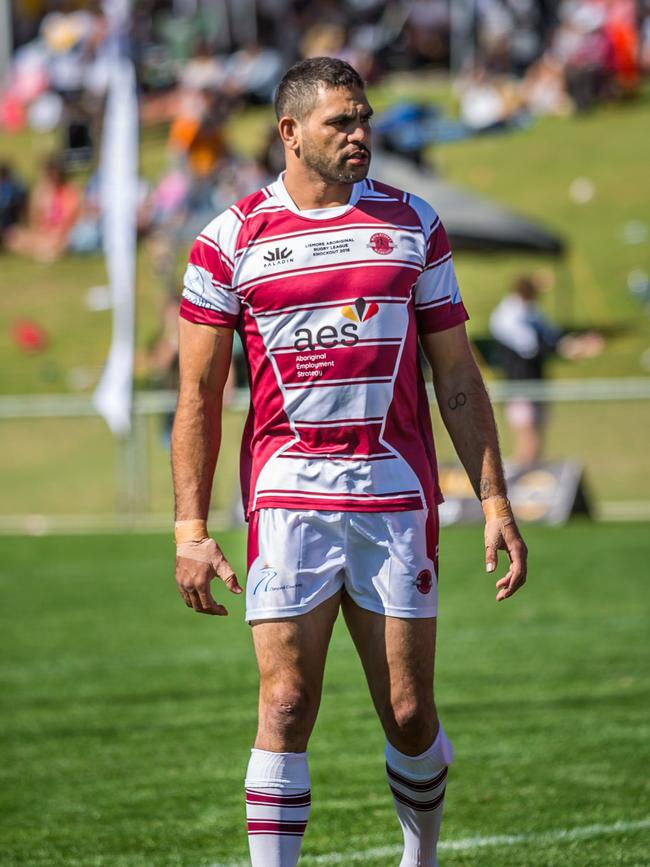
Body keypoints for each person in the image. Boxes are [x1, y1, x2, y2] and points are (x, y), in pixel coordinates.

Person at [172, 57, 528, 867]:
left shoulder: (413, 223)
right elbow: (196, 395)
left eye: (363, 116)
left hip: (395, 495)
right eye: (341, 121)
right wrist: (190, 527)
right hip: (288, 498)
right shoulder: (228, 241)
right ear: (289, 133)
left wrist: (497, 500)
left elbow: (459, 378)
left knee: (407, 711)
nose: (361, 132)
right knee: (287, 703)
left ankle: (421, 859)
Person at [490, 273, 602, 467]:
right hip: (519, 387)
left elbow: (552, 337)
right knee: (527, 441)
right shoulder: (507, 315)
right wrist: (568, 348)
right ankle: (517, 488)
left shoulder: (532, 311)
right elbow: (530, 347)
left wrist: (577, 343)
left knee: (537, 441)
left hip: (536, 385)